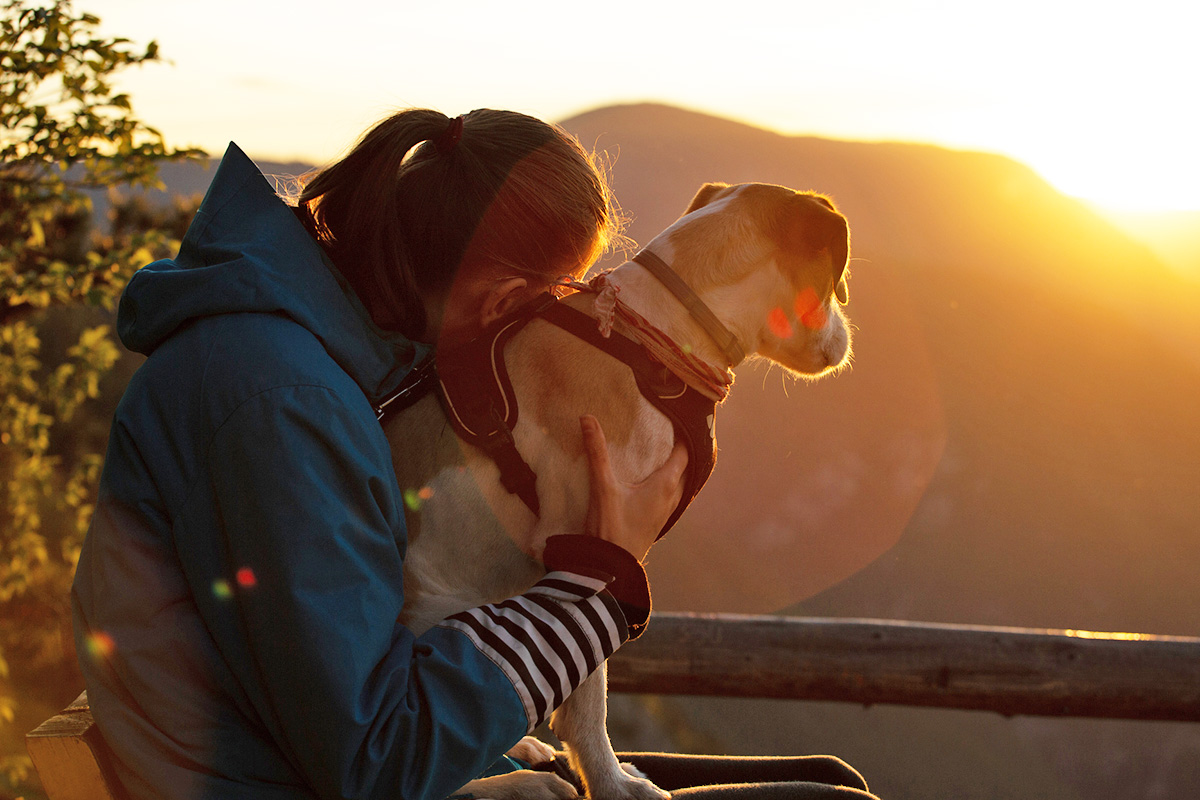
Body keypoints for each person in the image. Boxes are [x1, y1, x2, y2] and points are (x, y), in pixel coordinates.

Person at [72, 108, 876, 800]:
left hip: (295, 752)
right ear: (505, 298)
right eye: (562, 296)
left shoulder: (326, 361)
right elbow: (370, 757)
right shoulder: (279, 401)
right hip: (270, 779)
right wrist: (597, 581)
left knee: (830, 778)